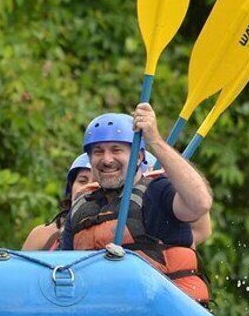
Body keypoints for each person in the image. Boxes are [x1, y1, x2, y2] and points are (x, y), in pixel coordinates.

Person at [61, 105, 214, 305]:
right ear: (90, 159)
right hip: (103, 312)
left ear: (139, 156)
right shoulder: (81, 208)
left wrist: (155, 141)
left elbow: (200, 203)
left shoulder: (157, 192)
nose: (107, 159)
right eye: (98, 152)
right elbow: (63, 271)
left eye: (117, 150)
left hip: (164, 311)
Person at [22, 153, 92, 251]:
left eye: (97, 181)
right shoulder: (41, 236)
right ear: (71, 189)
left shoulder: (117, 236)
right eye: (82, 181)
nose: (88, 187)